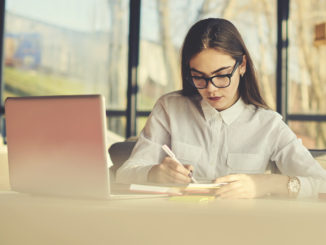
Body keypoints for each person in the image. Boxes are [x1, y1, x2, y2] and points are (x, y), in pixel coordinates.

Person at [116, 18, 326, 199]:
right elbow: (125, 173)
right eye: (199, 77)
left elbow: (322, 184)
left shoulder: (268, 125)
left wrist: (265, 184)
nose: (211, 88)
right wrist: (155, 173)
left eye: (222, 75)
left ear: (242, 65)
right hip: (177, 223)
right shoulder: (169, 108)